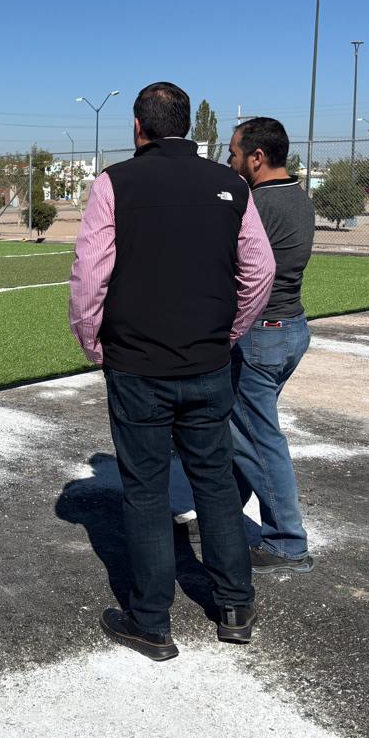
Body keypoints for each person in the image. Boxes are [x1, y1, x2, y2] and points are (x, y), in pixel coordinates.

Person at [69, 82, 275, 662]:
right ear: (187, 124)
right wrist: (228, 331)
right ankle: (235, 606)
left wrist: (92, 340)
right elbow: (261, 271)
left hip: (137, 365)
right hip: (208, 364)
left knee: (145, 492)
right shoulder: (231, 184)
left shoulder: (114, 184)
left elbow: (91, 274)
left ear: (139, 126)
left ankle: (151, 620)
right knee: (214, 482)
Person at [170, 117, 317, 573]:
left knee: (257, 438)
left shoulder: (258, 205)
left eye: (233, 153)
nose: (229, 161)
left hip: (260, 335)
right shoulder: (300, 198)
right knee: (240, 433)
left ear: (257, 157)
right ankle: (222, 515)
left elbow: (231, 263)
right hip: (290, 329)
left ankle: (287, 542)